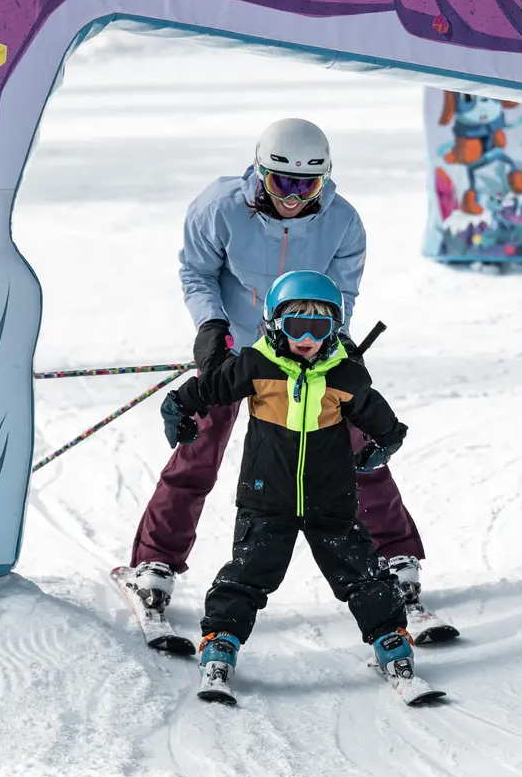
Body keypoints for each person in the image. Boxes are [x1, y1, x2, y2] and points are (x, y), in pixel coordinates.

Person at [119, 118, 457, 644]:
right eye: (283, 183)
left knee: (355, 447)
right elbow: (196, 273)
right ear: (259, 172)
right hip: (238, 351)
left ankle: (396, 561)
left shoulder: (343, 222)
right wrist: (211, 327)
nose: (295, 197)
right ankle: (154, 564)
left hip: (308, 352)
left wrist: (339, 351)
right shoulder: (219, 208)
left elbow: (342, 298)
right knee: (198, 447)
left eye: (309, 185)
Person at [160, 271, 423, 703]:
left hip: (331, 499)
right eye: (295, 325)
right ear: (274, 325)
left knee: (361, 573)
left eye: (318, 327)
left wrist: (385, 446)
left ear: (334, 329)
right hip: (266, 497)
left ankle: (390, 641)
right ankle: (221, 642)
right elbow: (210, 388)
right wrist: (178, 407)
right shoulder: (256, 365)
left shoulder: (345, 376)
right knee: (247, 574)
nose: (306, 337)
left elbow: (383, 422)